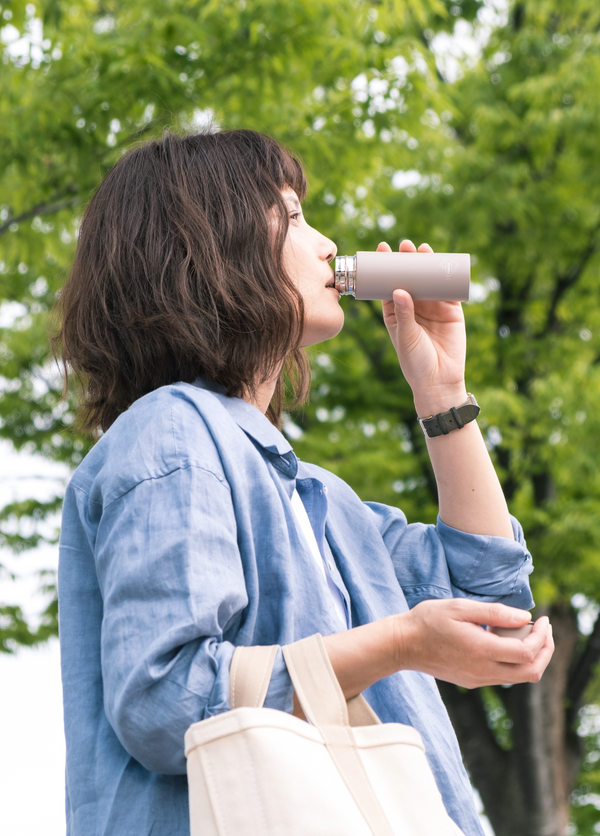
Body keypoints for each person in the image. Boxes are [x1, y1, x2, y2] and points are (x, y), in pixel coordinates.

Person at [56, 129, 554, 836]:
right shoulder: (173, 434)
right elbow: (167, 700)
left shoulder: (318, 499)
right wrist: (401, 644)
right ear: (208, 249)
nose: (326, 245)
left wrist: (443, 393)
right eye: (291, 217)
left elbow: (490, 600)